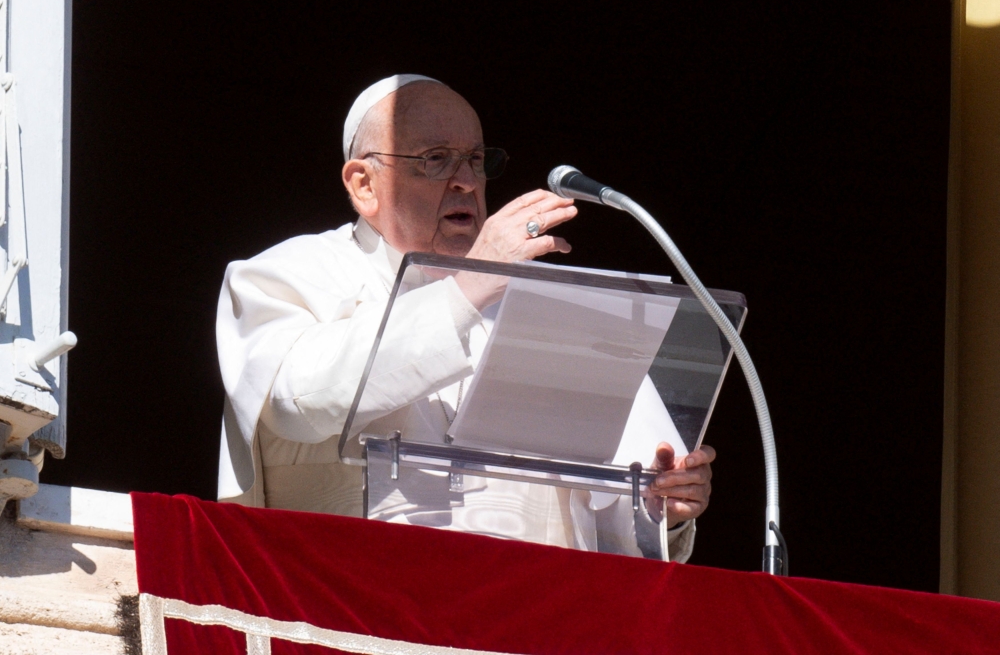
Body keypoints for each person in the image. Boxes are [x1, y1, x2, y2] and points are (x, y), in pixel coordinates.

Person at [216, 75, 714, 561]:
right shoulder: (288, 274)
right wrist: (469, 288)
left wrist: (659, 506)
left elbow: (600, 518)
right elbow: (294, 401)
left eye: (476, 160)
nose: (467, 181)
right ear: (364, 185)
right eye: (436, 160)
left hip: (536, 618)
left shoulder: (558, 308)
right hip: (361, 611)